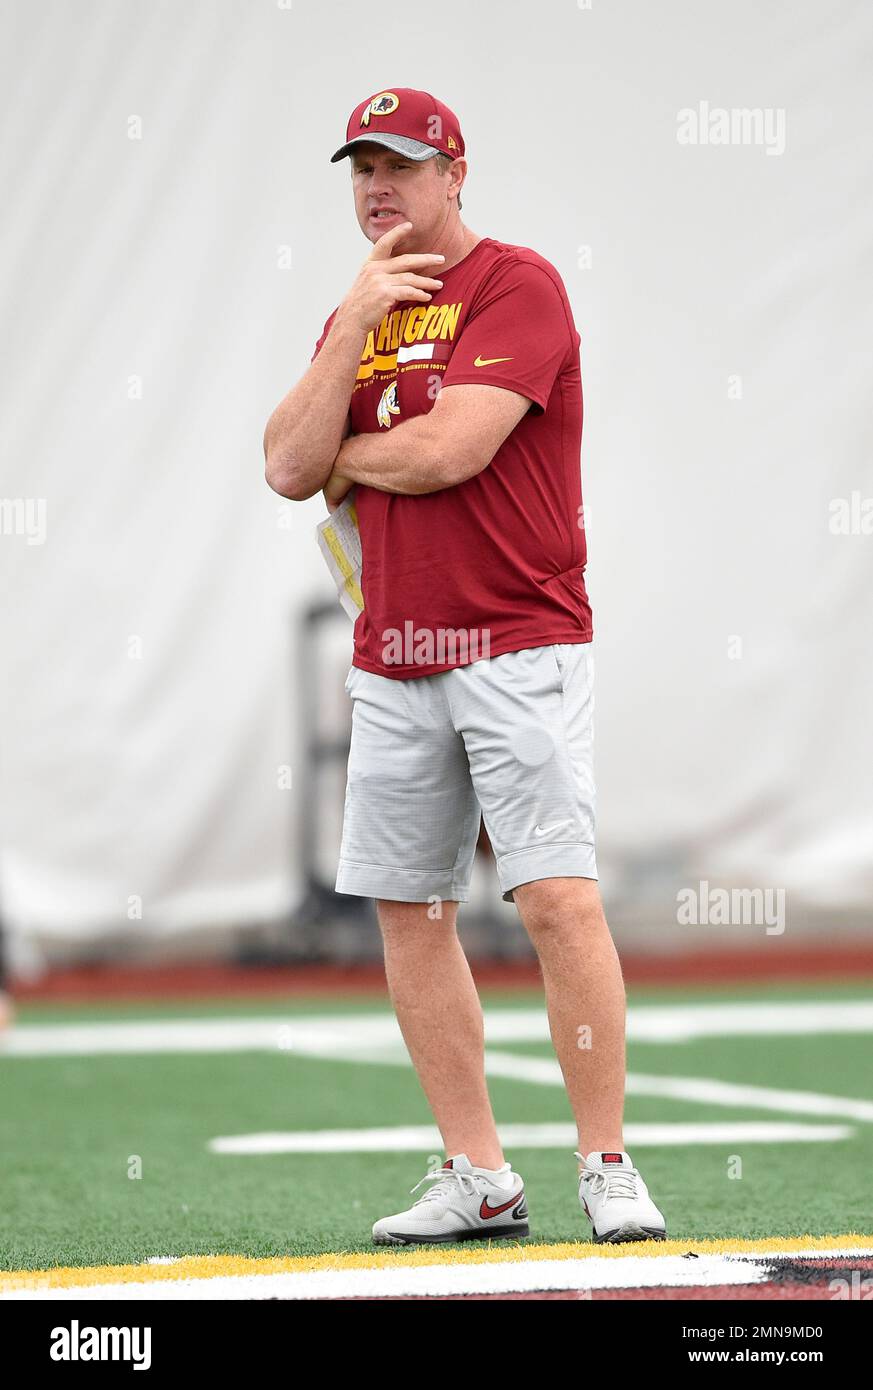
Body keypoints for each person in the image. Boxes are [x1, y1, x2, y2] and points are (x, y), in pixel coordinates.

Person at [264, 87, 666, 1246]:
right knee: (411, 911)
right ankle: (478, 1173)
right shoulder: (361, 306)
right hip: (393, 650)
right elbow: (289, 469)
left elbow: (451, 450)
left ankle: (605, 1162)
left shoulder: (516, 283)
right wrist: (348, 326)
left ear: (456, 174)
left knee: (551, 896)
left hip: (519, 637)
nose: (377, 187)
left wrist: (345, 451)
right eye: (360, 169)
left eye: (400, 165)